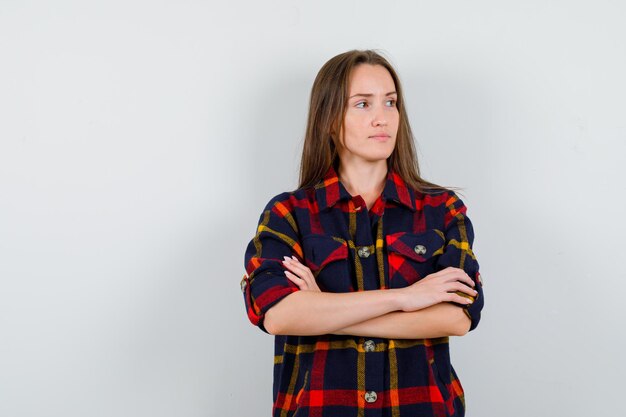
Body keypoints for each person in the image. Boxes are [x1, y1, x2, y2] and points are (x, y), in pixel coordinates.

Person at [240, 49, 484, 417]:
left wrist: (324, 308)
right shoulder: (288, 213)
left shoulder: (442, 209)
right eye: (362, 104)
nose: (381, 118)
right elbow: (278, 314)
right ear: (328, 119)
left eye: (390, 102)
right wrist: (407, 297)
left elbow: (456, 317)